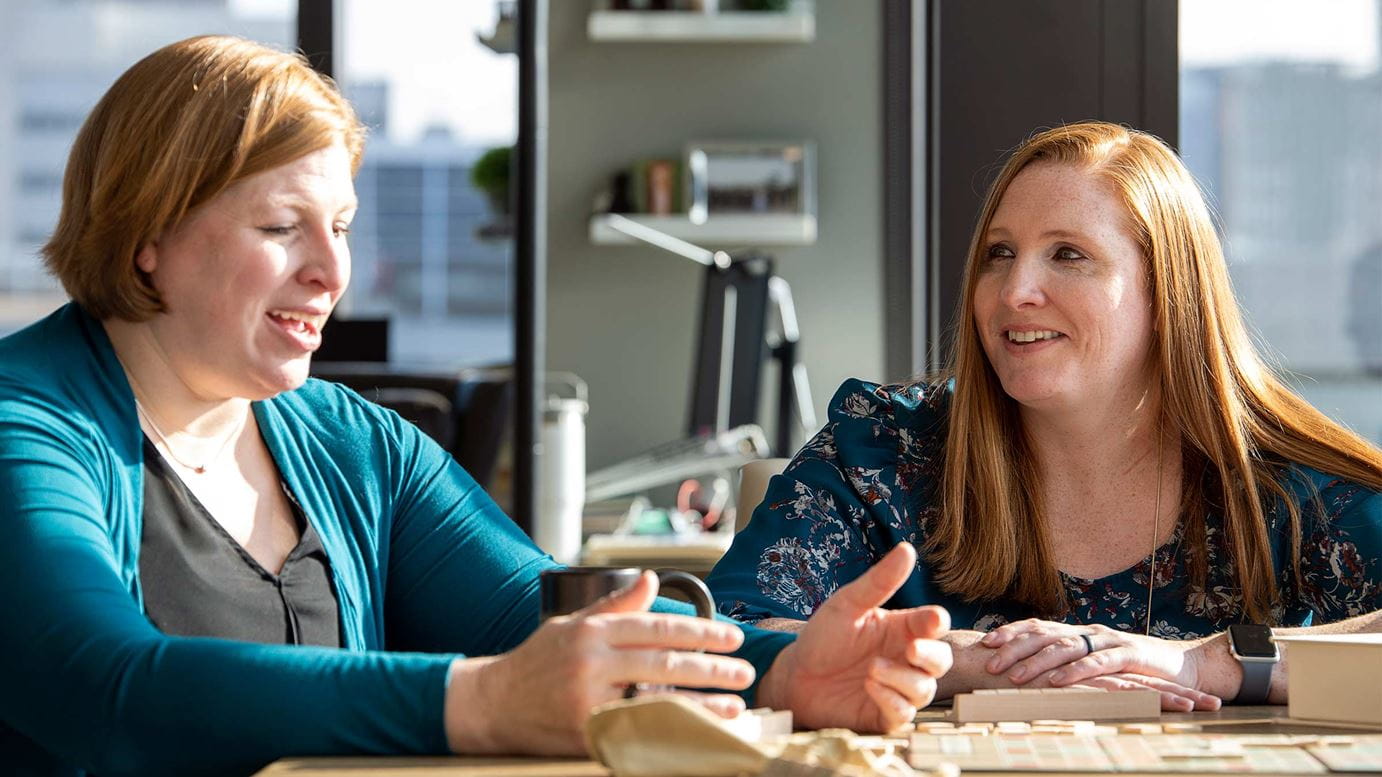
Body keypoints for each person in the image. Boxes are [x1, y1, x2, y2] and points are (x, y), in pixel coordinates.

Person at [0, 36, 954, 777]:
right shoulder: (26, 425)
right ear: (147, 236)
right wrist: (481, 702)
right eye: (281, 226)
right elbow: (105, 683)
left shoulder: (354, 441)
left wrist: (781, 670)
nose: (332, 272)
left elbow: (533, 609)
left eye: (340, 227)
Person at [707, 121, 1382, 712]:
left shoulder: (1281, 484)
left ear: (1168, 294)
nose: (1014, 291)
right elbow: (698, 629)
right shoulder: (883, 450)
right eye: (999, 254)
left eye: (1068, 254)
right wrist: (958, 660)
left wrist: (1212, 662)